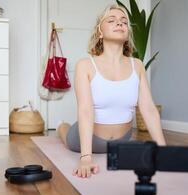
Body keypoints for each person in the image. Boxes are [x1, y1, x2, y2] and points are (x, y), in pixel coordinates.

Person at [56, 4, 166, 179]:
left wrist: (162, 149)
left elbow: (148, 108)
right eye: (112, 20)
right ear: (100, 31)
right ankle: (61, 126)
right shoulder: (85, 65)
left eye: (124, 22)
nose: (120, 23)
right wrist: (85, 157)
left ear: (127, 33)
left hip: (122, 139)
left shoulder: (137, 65)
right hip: (91, 139)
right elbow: (85, 109)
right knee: (66, 134)